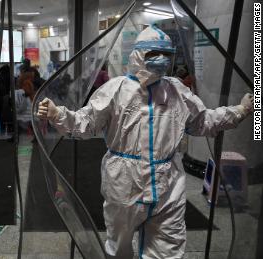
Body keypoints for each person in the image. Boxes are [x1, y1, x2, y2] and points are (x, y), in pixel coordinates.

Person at [37, 25, 254, 258]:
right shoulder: (116, 90)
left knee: (168, 247)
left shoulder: (177, 91)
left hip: (168, 184)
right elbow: (86, 123)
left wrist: (240, 111)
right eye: (153, 54)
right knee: (119, 246)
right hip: (123, 182)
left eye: (166, 55)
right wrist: (57, 114)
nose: (161, 60)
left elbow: (203, 121)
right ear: (138, 55)